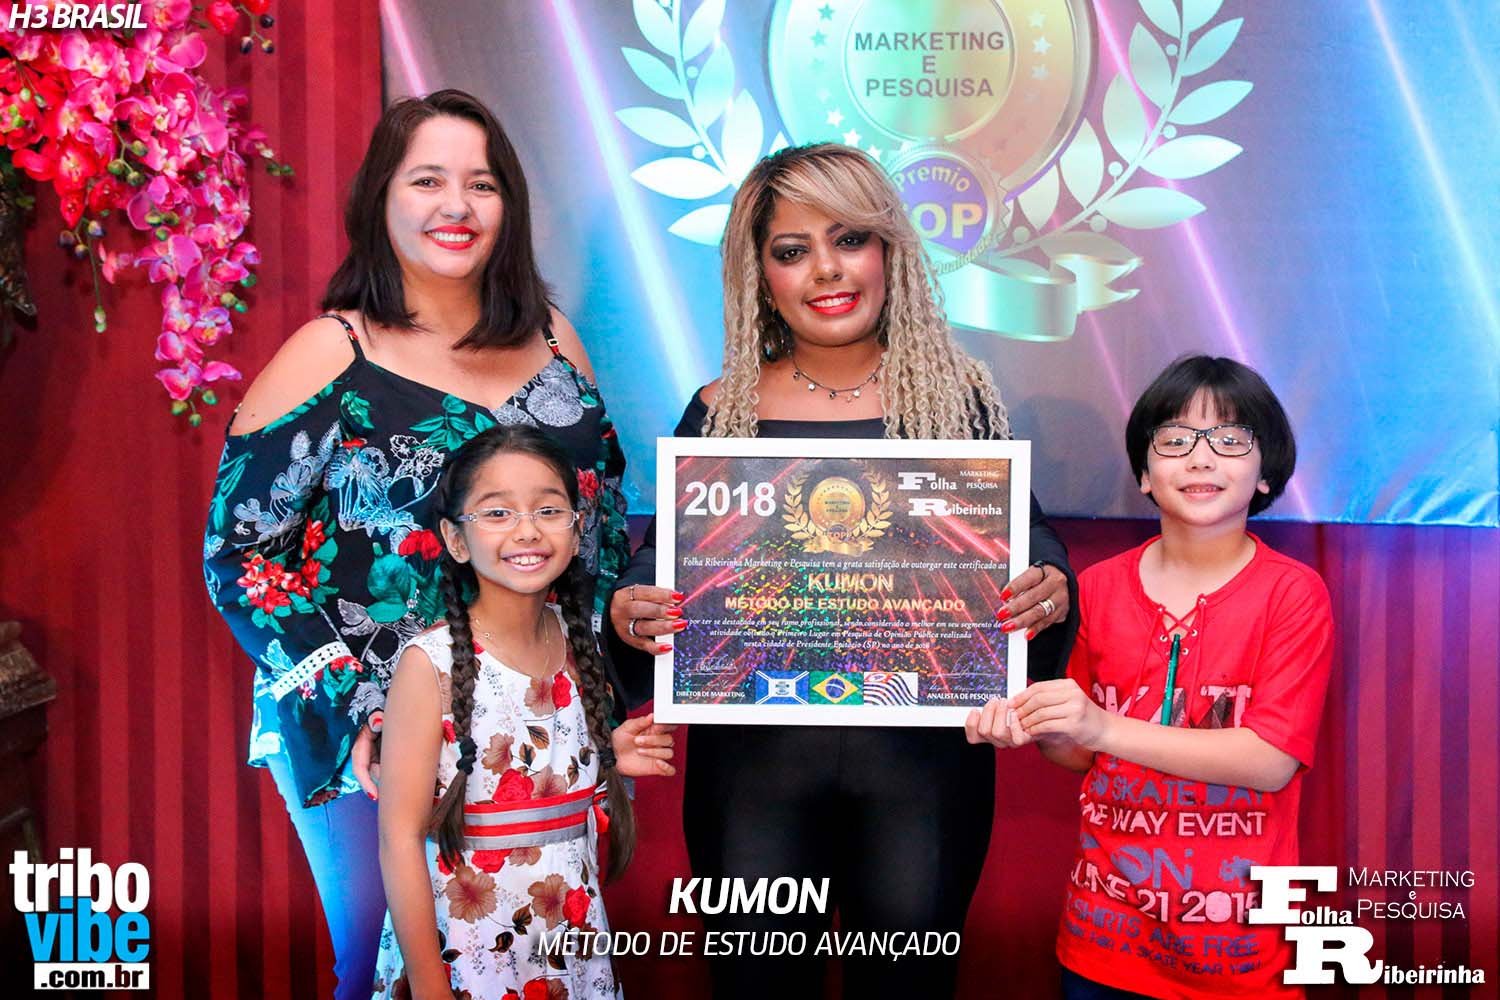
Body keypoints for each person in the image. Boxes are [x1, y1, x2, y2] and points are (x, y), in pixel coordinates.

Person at [608, 143, 1079, 998]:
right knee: (755, 988)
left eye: (850, 238)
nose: (826, 269)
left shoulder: (957, 402)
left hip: (922, 771)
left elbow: (1026, 541)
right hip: (753, 772)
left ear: (890, 251)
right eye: (792, 250)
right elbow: (667, 559)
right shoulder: (720, 409)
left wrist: (1046, 583)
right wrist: (633, 605)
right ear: (760, 276)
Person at [202, 90, 630, 999]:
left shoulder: (555, 341)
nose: (456, 206)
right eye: (427, 180)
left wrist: (599, 666)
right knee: (384, 964)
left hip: (531, 717)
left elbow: (596, 523)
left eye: (482, 184)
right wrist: (361, 706)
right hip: (370, 721)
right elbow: (238, 553)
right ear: (380, 199)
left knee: (529, 955)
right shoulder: (332, 351)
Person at [969, 355, 1334, 999]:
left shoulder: (1293, 594)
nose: (1200, 459)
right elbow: (1078, 753)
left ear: (1266, 473)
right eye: (1175, 440)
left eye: (1229, 440)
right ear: (1144, 471)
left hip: (1241, 953)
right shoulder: (1097, 587)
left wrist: (1100, 726)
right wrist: (1036, 724)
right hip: (1101, 941)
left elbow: (1269, 760)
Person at [371, 426, 675, 999]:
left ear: (577, 529)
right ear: (456, 539)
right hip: (469, 947)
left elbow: (547, 776)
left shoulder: (577, 641)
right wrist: (432, 986)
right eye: (497, 513)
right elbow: (400, 840)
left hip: (569, 937)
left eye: (548, 509)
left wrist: (607, 759)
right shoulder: (428, 665)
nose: (527, 530)